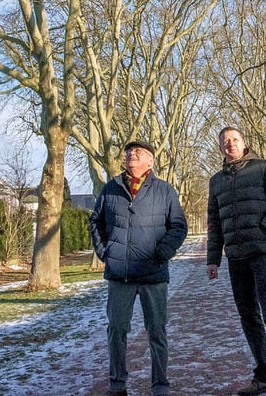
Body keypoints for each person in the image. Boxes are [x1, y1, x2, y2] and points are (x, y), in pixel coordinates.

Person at [90, 140, 188, 396]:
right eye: (129, 151)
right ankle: (117, 383)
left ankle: (160, 385)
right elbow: (95, 222)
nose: (132, 154)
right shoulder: (110, 188)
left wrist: (163, 252)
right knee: (117, 330)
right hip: (119, 275)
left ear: (151, 161)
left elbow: (178, 226)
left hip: (153, 274)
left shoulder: (165, 191)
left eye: (139, 151)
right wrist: (105, 252)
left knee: (157, 331)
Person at [207, 127, 266, 396]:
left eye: (234, 140)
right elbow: (215, 222)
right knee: (248, 317)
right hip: (236, 257)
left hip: (263, 253)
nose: (230, 145)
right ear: (220, 148)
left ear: (244, 143)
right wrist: (213, 259)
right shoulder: (216, 181)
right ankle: (264, 377)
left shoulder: (263, 168)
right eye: (225, 142)